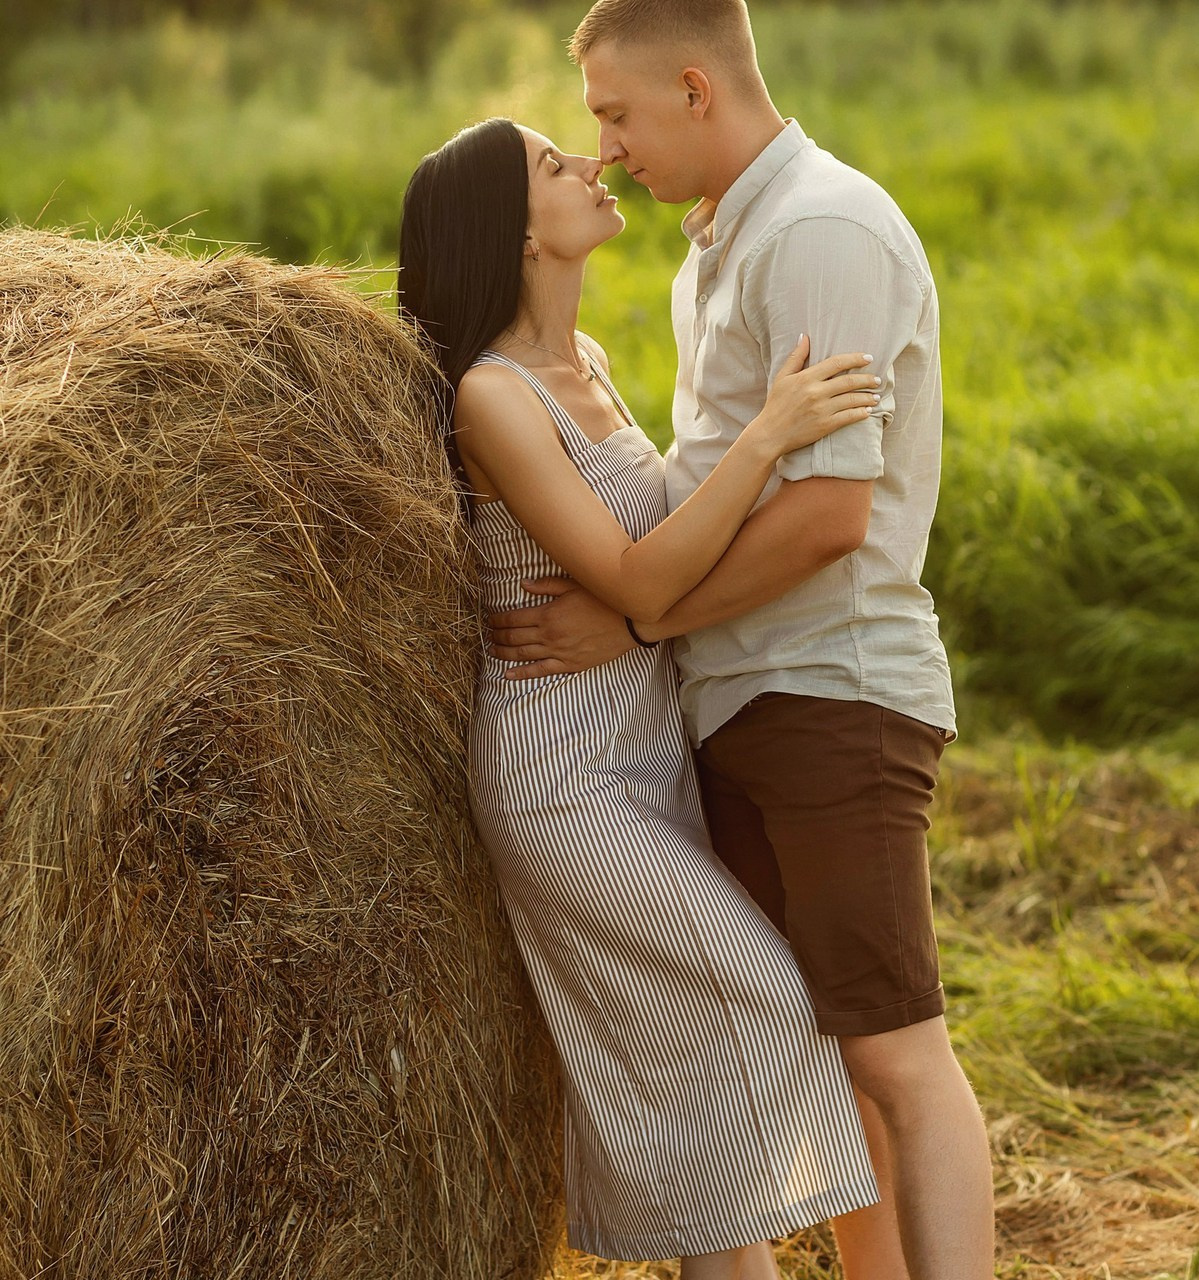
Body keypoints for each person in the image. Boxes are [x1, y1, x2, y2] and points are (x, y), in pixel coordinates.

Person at [485, 3, 998, 1279]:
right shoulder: (708, 251)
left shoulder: (817, 230)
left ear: (697, 89)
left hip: (827, 687)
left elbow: (826, 518)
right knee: (833, 1050)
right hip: (738, 700)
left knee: (894, 1051)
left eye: (615, 114)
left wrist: (641, 615)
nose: (603, 149)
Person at [398, 116, 890, 1278]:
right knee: (765, 994)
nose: (591, 161)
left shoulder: (594, 366)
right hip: (562, 783)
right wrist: (767, 435)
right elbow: (639, 573)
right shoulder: (493, 398)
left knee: (691, 1067)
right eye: (551, 163)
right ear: (514, 231)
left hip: (646, 749)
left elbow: (648, 565)